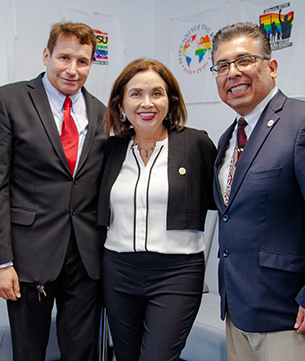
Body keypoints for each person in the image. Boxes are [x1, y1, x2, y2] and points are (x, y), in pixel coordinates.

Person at [210, 22, 305, 361]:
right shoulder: (228, 138)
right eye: (222, 66)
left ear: (272, 67)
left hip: (292, 314)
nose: (232, 73)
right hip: (239, 309)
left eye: (244, 60)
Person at [0, 22, 107, 361]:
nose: (72, 69)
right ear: (46, 55)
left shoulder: (102, 112)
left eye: (82, 61)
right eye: (64, 57)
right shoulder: (8, 101)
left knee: (81, 352)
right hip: (27, 255)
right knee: (29, 352)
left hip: (85, 255)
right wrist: (1, 261)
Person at [98, 58, 217, 361]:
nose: (146, 103)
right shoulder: (111, 150)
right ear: (121, 105)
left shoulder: (196, 144)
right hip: (119, 269)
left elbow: (223, 200)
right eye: (135, 94)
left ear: (170, 101)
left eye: (157, 93)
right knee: (125, 356)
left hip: (177, 272)